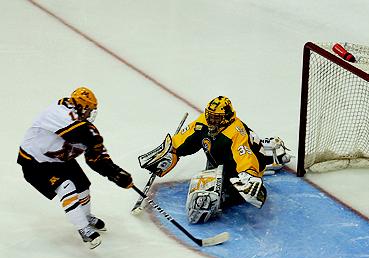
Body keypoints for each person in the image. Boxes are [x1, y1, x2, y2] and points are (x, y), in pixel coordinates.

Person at [140, 96, 290, 223]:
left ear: (227, 117)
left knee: (203, 202)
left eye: (216, 118)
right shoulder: (204, 122)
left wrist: (249, 174)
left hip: (236, 169)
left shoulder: (236, 133)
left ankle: (269, 155)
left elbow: (245, 157)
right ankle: (268, 150)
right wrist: (170, 152)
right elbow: (185, 139)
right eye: (209, 116)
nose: (211, 121)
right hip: (219, 162)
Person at [17, 87, 134, 249]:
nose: (91, 114)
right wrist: (93, 141)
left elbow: (95, 158)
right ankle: (83, 229)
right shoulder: (57, 112)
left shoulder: (83, 125)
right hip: (35, 162)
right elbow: (81, 134)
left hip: (59, 159)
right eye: (90, 110)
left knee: (83, 186)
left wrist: (114, 173)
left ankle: (86, 217)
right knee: (66, 187)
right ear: (82, 107)